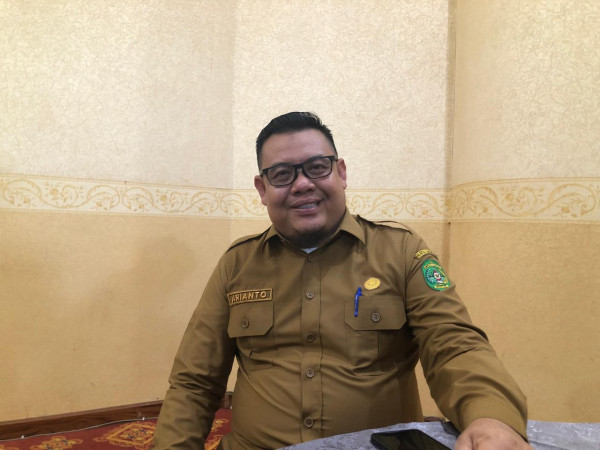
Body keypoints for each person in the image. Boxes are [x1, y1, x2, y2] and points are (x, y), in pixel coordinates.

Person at [153, 112, 532, 450]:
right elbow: (194, 383)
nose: (302, 184)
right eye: (282, 174)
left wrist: (491, 417)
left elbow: (454, 344)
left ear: (342, 173)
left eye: (317, 167)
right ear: (262, 189)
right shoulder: (236, 264)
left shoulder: (402, 251)